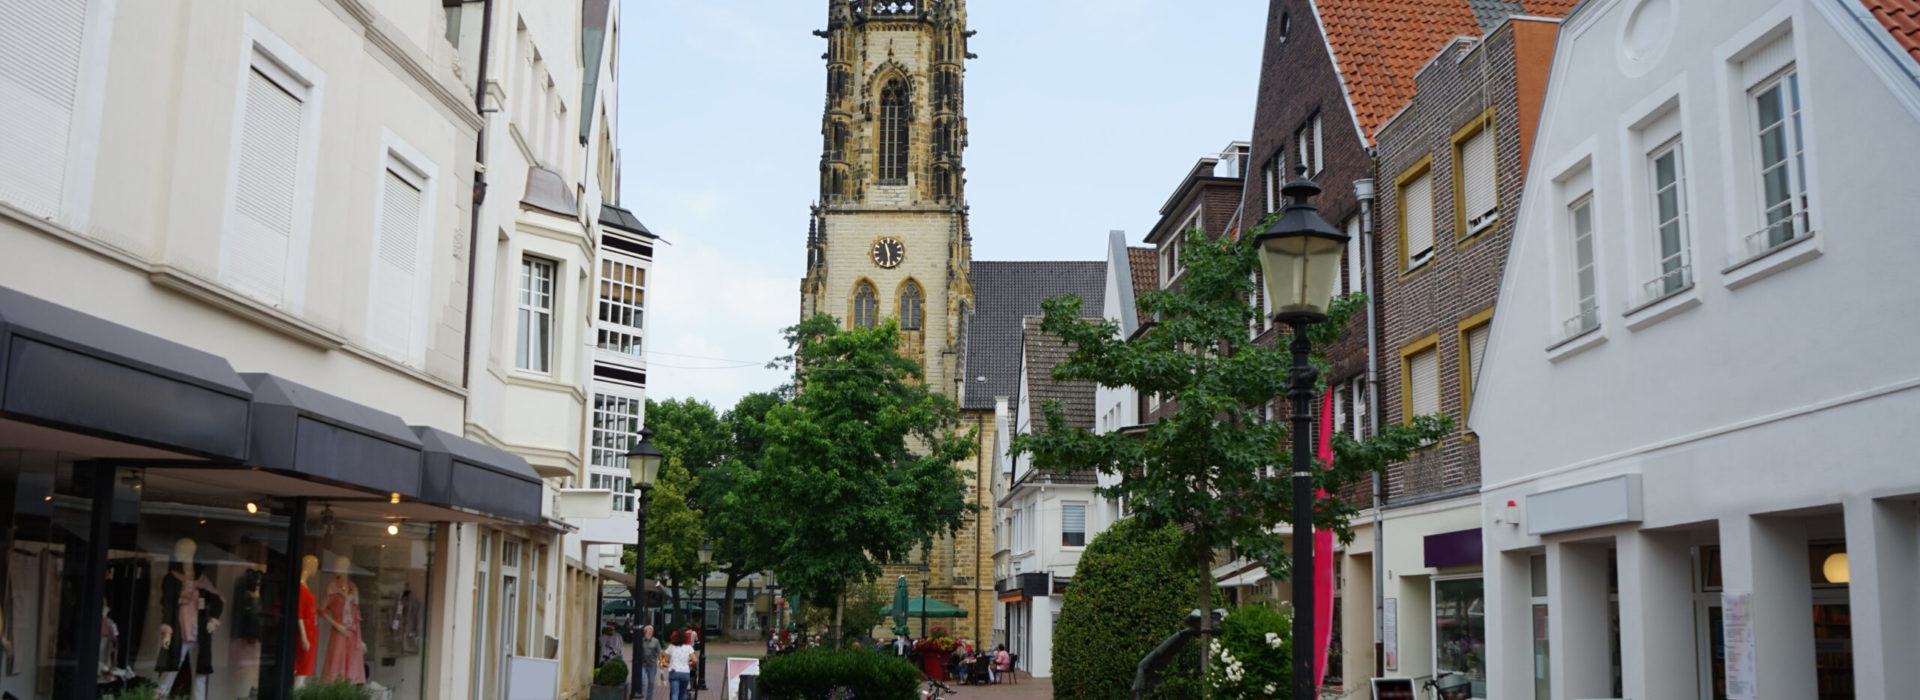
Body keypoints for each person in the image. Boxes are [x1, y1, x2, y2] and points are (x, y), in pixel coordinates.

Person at [665, 630, 697, 700]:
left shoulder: (671, 647)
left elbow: (666, 659)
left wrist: (667, 664)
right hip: (685, 672)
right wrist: (689, 663)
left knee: (674, 693)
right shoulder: (688, 647)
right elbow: (695, 660)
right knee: (683, 693)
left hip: (674, 672)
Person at [633, 625, 662, 700]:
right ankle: (641, 696)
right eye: (648, 631)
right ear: (645, 632)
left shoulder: (656, 641)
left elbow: (659, 653)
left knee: (651, 683)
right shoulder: (641, 640)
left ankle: (649, 698)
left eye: (651, 631)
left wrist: (661, 662)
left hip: (652, 665)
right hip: (642, 664)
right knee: (642, 682)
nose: (649, 632)